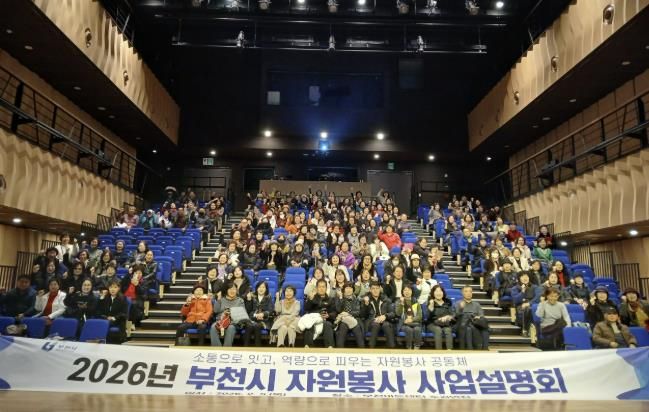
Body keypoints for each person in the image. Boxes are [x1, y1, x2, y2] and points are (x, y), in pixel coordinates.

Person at [209, 283, 248, 347]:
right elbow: (216, 310)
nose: (232, 291)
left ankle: (226, 349)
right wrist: (218, 300)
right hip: (221, 321)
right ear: (226, 290)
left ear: (236, 291)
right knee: (213, 327)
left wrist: (232, 313)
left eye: (234, 289)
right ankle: (217, 349)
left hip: (234, 322)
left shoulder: (240, 300)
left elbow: (243, 313)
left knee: (230, 328)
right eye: (230, 289)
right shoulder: (221, 299)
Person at [361, 281, 396, 348]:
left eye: (377, 288)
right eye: (373, 288)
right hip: (371, 322)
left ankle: (392, 347)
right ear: (370, 290)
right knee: (376, 325)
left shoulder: (386, 299)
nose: (375, 290)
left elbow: (393, 313)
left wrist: (385, 316)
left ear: (380, 289)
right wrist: (366, 305)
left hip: (384, 321)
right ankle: (371, 347)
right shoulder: (365, 299)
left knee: (386, 325)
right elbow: (363, 315)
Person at [302, 279, 336, 348]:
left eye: (323, 287)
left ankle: (330, 347)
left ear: (326, 288)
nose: (321, 288)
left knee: (328, 324)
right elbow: (306, 309)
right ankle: (308, 346)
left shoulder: (330, 300)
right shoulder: (312, 297)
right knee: (309, 324)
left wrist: (328, 315)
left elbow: (334, 313)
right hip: (313, 320)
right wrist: (310, 300)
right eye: (319, 287)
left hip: (325, 321)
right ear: (316, 288)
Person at [455, 286, 489, 350]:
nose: (468, 293)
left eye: (470, 291)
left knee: (485, 330)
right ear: (462, 293)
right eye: (466, 291)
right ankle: (471, 349)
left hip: (475, 323)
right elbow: (455, 317)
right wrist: (461, 309)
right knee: (469, 329)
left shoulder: (477, 304)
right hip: (463, 325)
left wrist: (479, 317)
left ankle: (485, 350)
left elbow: (481, 316)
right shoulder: (458, 304)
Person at [511, 272, 541, 339]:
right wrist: (522, 292)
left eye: (527, 276)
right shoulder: (515, 288)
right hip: (521, 305)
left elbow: (538, 297)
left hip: (533, 304)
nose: (525, 278)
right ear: (519, 278)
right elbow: (515, 300)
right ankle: (525, 329)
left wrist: (529, 303)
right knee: (527, 309)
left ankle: (530, 330)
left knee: (531, 308)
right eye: (523, 276)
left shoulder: (535, 287)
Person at [335, 282, 365, 348]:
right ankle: (340, 350)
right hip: (343, 320)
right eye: (347, 288)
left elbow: (358, 312)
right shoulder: (339, 298)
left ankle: (362, 349)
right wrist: (341, 298)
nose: (348, 290)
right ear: (344, 290)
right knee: (343, 326)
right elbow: (338, 310)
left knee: (357, 327)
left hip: (354, 319)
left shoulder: (356, 299)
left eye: (350, 288)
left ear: (353, 290)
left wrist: (348, 314)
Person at [244, 281, 273, 346]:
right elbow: (248, 311)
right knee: (248, 325)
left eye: (263, 287)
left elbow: (270, 310)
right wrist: (248, 300)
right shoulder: (252, 296)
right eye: (259, 287)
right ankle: (245, 347)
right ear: (256, 288)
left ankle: (258, 347)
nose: (261, 289)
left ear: (266, 289)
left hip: (264, 320)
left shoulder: (268, 297)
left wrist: (263, 314)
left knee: (257, 326)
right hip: (252, 318)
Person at [427, 285, 455, 350]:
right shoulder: (430, 302)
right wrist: (431, 307)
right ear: (433, 293)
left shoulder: (448, 301)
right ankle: (439, 351)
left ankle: (449, 350)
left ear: (443, 292)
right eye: (436, 291)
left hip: (445, 323)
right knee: (438, 330)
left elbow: (452, 314)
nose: (438, 293)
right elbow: (427, 316)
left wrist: (448, 316)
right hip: (432, 323)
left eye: (440, 291)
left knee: (448, 330)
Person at [396, 284, 423, 349]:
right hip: (404, 324)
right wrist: (401, 304)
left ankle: (417, 346)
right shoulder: (399, 301)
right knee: (409, 329)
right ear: (402, 292)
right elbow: (398, 314)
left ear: (412, 291)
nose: (407, 292)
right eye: (405, 290)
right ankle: (409, 347)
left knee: (417, 329)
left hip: (415, 323)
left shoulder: (416, 301)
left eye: (409, 290)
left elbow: (420, 316)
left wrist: (412, 319)